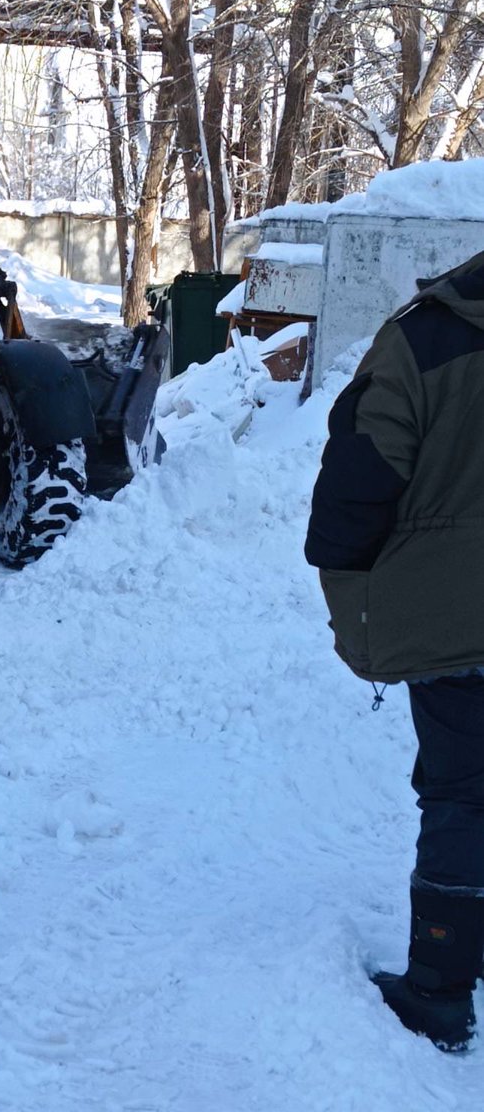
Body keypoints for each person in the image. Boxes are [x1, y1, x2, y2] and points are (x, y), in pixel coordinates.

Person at [305, 250, 484, 1052]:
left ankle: (441, 990)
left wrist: (353, 586)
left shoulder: (426, 340)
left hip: (455, 615)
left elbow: (360, 475)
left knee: (463, 792)